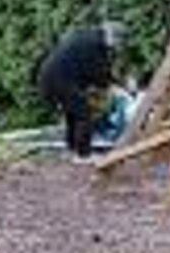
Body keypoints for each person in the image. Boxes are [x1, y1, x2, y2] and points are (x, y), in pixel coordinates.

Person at [35, 21, 127, 158]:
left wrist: (110, 81)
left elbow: (93, 72)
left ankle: (72, 148)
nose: (117, 46)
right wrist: (116, 86)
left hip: (48, 77)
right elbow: (98, 74)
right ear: (112, 36)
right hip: (60, 79)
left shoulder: (88, 36)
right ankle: (83, 154)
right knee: (84, 114)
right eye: (119, 41)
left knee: (73, 113)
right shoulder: (95, 46)